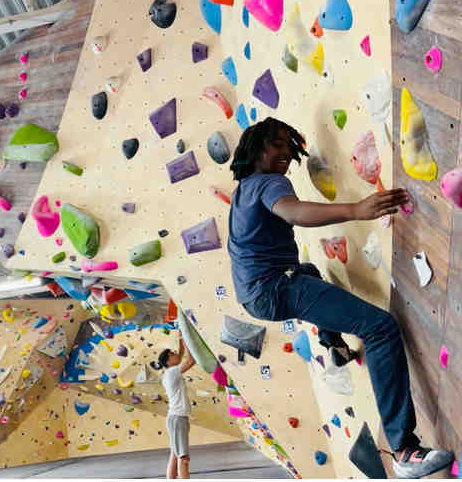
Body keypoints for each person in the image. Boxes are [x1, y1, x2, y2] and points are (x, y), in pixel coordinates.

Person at [227, 117, 454, 478]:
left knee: (309, 273)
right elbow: (293, 212)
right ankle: (405, 451)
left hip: (255, 294)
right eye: (277, 145)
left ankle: (334, 343)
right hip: (274, 288)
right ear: (257, 150)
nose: (285, 152)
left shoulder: (244, 190)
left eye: (289, 146)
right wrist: (356, 209)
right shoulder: (269, 183)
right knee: (380, 328)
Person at [158, 332, 195, 479]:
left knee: (175, 455)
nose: (176, 354)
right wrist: (186, 337)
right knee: (183, 458)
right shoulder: (172, 372)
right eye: (172, 354)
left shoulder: (169, 373)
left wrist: (181, 338)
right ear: (168, 361)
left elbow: (180, 354)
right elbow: (191, 360)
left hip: (176, 418)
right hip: (178, 419)